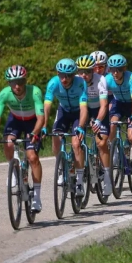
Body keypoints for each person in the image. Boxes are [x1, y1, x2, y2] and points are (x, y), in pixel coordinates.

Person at [0, 65, 45, 212]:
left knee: (32, 157)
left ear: (25, 80)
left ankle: (37, 198)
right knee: (7, 143)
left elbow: (41, 117)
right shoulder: (4, 94)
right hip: (15, 120)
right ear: (9, 83)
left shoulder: (35, 92)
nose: (17, 85)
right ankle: (14, 170)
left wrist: (35, 132)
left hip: (32, 122)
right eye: (13, 82)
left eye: (20, 81)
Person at [43, 58, 89, 197]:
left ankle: (80, 181)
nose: (65, 79)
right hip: (63, 111)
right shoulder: (53, 83)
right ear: (57, 73)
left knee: (76, 144)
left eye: (69, 75)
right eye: (62, 75)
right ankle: (62, 168)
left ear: (74, 74)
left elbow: (84, 108)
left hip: (77, 113)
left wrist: (81, 126)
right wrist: (44, 125)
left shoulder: (80, 83)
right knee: (56, 140)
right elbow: (47, 106)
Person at [76, 55, 112, 197]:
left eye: (87, 72)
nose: (84, 75)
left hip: (99, 111)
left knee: (101, 143)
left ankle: (108, 179)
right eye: (81, 72)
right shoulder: (76, 81)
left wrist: (97, 121)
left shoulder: (100, 80)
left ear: (93, 71)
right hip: (82, 110)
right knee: (76, 142)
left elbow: (104, 105)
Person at [104, 54, 132, 181]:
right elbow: (102, 99)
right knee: (112, 125)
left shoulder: (130, 78)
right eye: (112, 70)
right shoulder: (108, 79)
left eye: (119, 69)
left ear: (124, 69)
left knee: (131, 136)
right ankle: (114, 153)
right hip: (119, 103)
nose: (115, 73)